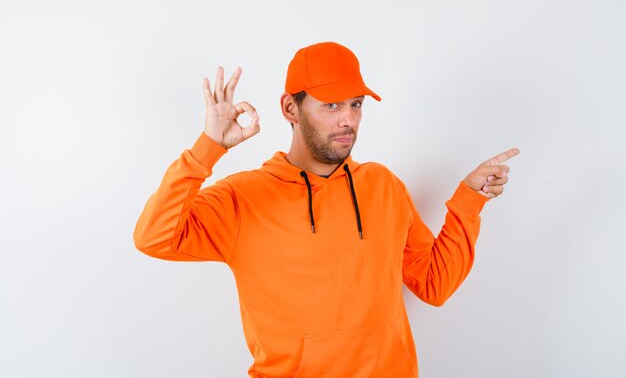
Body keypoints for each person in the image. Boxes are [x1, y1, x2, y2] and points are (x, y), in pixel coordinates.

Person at [133, 41, 519, 378]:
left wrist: (469, 201)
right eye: (331, 104)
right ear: (290, 108)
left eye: (355, 104)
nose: (348, 118)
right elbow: (154, 237)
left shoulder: (382, 185)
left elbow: (435, 284)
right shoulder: (243, 198)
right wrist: (208, 147)